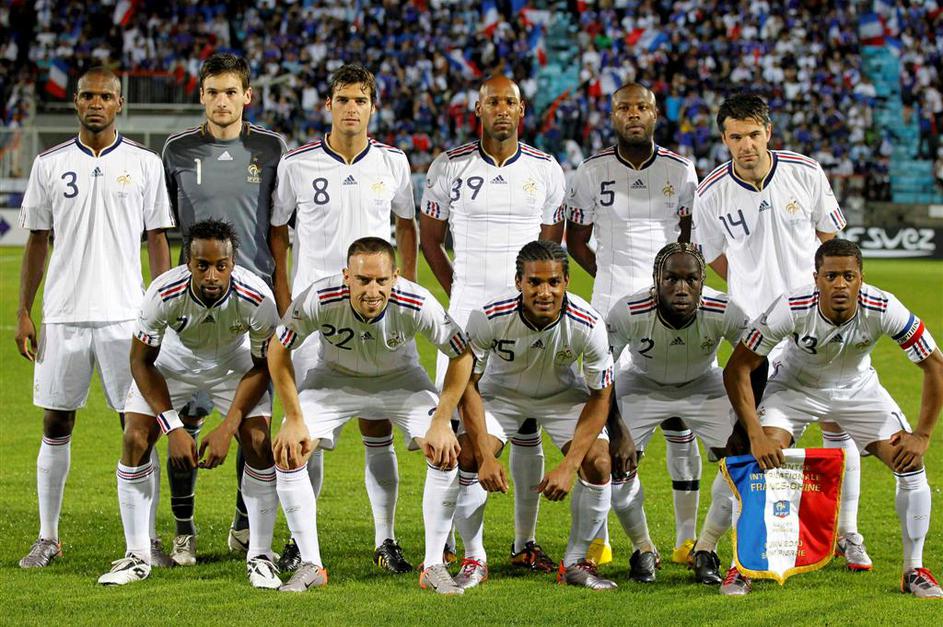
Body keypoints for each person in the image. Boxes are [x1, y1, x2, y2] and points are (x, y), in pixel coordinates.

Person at [691, 93, 868, 571]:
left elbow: (832, 242)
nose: (746, 145)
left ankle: (848, 533)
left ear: (768, 132)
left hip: (814, 322)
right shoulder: (710, 193)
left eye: (753, 134)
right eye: (735, 137)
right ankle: (714, 543)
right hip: (756, 334)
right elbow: (711, 255)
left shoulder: (805, 172)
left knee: (838, 423)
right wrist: (751, 289)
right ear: (724, 139)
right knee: (748, 437)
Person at [16, 67, 174, 569]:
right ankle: (47, 537)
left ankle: (147, 540)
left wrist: (163, 308)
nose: (96, 103)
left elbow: (157, 239)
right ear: (76, 101)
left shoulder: (144, 163)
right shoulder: (49, 164)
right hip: (63, 314)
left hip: (126, 317)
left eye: (105, 96)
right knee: (55, 421)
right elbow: (37, 240)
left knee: (138, 426)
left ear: (119, 103)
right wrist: (23, 311)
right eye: (88, 95)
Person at [722, 239, 943, 598]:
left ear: (860, 279)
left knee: (910, 463)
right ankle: (741, 565)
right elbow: (737, 369)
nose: (840, 284)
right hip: (795, 387)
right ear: (816, 279)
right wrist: (755, 433)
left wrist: (923, 434)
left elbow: (935, 365)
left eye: (848, 276)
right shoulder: (792, 306)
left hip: (859, 390)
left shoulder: (884, 306)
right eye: (831, 276)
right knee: (757, 457)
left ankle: (914, 570)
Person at [270, 63, 419, 573]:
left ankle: (386, 539)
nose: (351, 108)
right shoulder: (297, 164)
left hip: (379, 312)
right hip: (315, 319)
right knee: (306, 432)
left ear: (373, 107)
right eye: (342, 99)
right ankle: (300, 542)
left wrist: (405, 289)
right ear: (327, 105)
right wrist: (286, 296)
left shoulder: (394, 162)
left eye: (360, 100)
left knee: (378, 426)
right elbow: (277, 231)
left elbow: (406, 225)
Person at [268, 237, 474, 595]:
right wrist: (293, 417)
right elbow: (277, 349)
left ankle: (434, 566)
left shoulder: (417, 301)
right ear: (346, 276)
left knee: (444, 451)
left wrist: (442, 420)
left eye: (381, 280)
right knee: (289, 451)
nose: (372, 290)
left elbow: (462, 354)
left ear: (395, 277)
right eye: (363, 280)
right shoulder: (319, 297)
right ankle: (310, 564)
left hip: (401, 382)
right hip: (333, 380)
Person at [420, 74, 565, 573]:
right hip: (466, 319)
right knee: (453, 436)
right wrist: (459, 290)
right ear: (477, 109)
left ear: (521, 110)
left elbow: (550, 249)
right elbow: (430, 239)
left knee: (526, 427)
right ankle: (449, 547)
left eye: (509, 102)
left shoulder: (546, 169)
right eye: (492, 102)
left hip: (527, 320)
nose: (501, 109)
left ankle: (524, 543)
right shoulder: (449, 166)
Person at [97, 220, 281, 588]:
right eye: (202, 265)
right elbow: (140, 362)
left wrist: (228, 427)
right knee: (135, 438)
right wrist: (173, 427)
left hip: (234, 366)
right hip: (172, 363)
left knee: (259, 442)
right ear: (188, 264)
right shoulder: (163, 293)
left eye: (221, 266)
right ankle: (137, 556)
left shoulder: (258, 297)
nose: (212, 275)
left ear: (233, 264)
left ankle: (260, 556)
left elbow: (264, 366)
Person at [565, 83, 702, 565]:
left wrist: (669, 289)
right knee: (603, 416)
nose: (633, 114)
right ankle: (599, 537)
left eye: (641, 107)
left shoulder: (681, 170)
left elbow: (689, 241)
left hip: (671, 309)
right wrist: (607, 275)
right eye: (624, 107)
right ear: (613, 115)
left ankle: (686, 539)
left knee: (681, 418)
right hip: (609, 308)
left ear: (655, 113)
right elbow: (576, 240)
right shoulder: (590, 171)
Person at [161, 52, 287, 565]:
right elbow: (161, 227)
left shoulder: (271, 149)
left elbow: (279, 233)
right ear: (201, 96)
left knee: (253, 428)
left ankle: (242, 524)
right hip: (191, 306)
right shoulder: (176, 150)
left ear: (247, 96)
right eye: (213, 92)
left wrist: (282, 296)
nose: (221, 101)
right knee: (185, 419)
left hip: (253, 309)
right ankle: (184, 531)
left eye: (231, 91)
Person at [457, 241, 616, 590]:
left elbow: (601, 396)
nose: (545, 292)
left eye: (554, 282)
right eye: (534, 282)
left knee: (600, 462)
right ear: (519, 282)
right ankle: (473, 560)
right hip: (502, 396)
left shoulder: (588, 323)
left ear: (566, 282)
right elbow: (467, 384)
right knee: (467, 454)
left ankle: (575, 562)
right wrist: (485, 456)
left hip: (563, 398)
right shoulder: (488, 316)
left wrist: (570, 465)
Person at [605, 243, 747, 585]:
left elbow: (754, 362)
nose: (681, 288)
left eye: (691, 279)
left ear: (702, 282)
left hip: (704, 384)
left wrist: (745, 426)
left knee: (743, 460)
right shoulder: (628, 310)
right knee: (612, 462)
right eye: (671, 279)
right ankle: (642, 549)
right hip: (642, 384)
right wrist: (618, 431)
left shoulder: (725, 309)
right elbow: (601, 372)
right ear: (656, 279)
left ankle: (706, 548)